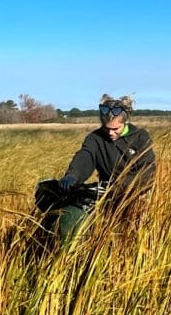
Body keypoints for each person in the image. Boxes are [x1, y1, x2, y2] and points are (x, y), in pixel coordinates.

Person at [54, 93, 156, 240]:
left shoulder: (140, 137)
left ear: (125, 122)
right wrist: (73, 175)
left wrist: (119, 187)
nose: (110, 133)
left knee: (129, 235)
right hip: (105, 194)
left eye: (116, 129)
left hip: (135, 194)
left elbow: (147, 171)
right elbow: (85, 156)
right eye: (107, 128)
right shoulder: (94, 138)